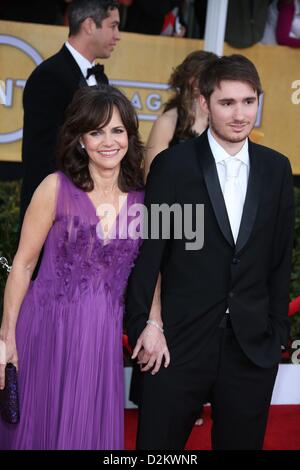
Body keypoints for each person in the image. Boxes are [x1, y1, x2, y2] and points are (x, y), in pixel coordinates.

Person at [125, 54, 295, 450]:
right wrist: (147, 324)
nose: (240, 114)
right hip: (177, 346)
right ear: (204, 103)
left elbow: (279, 260)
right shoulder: (175, 166)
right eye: (227, 103)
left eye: (248, 102)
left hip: (251, 349)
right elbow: (154, 253)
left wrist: (276, 336)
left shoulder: (276, 169)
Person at [0, 85, 144, 450]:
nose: (108, 141)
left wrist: (155, 320)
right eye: (96, 132)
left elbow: (153, 272)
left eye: (117, 130)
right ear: (80, 140)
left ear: (129, 135)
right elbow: (22, 264)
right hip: (46, 329)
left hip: (101, 337)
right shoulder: (55, 187)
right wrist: (7, 337)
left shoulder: (145, 200)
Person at [139, 50, 217, 425]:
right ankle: (159, 384)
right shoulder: (170, 119)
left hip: (206, 230)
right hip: (170, 223)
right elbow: (151, 171)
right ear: (193, 82)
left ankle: (197, 392)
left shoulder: (217, 124)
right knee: (166, 302)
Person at [20, 0, 121, 223]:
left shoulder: (100, 78)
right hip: (56, 212)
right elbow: (40, 156)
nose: (118, 35)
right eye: (113, 26)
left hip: (91, 209)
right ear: (89, 25)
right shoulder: (49, 76)